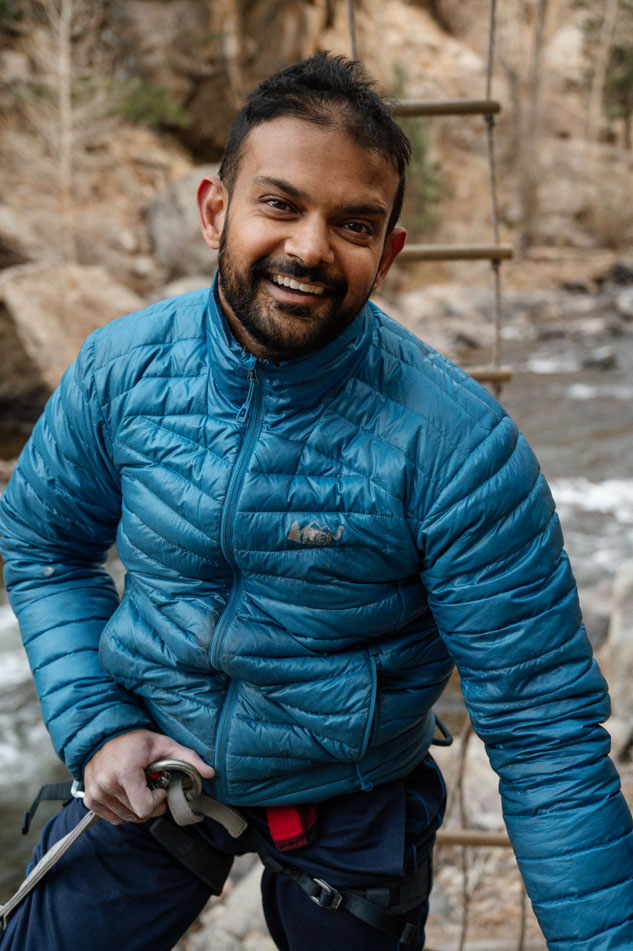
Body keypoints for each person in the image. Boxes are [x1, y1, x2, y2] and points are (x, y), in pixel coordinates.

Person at [0, 52, 631, 951]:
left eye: (353, 223)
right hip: (153, 749)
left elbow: (542, 727)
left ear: (389, 254)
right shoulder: (120, 370)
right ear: (214, 211)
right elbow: (45, 544)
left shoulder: (456, 444)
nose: (308, 247)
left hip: (353, 782)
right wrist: (99, 726)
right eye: (280, 204)